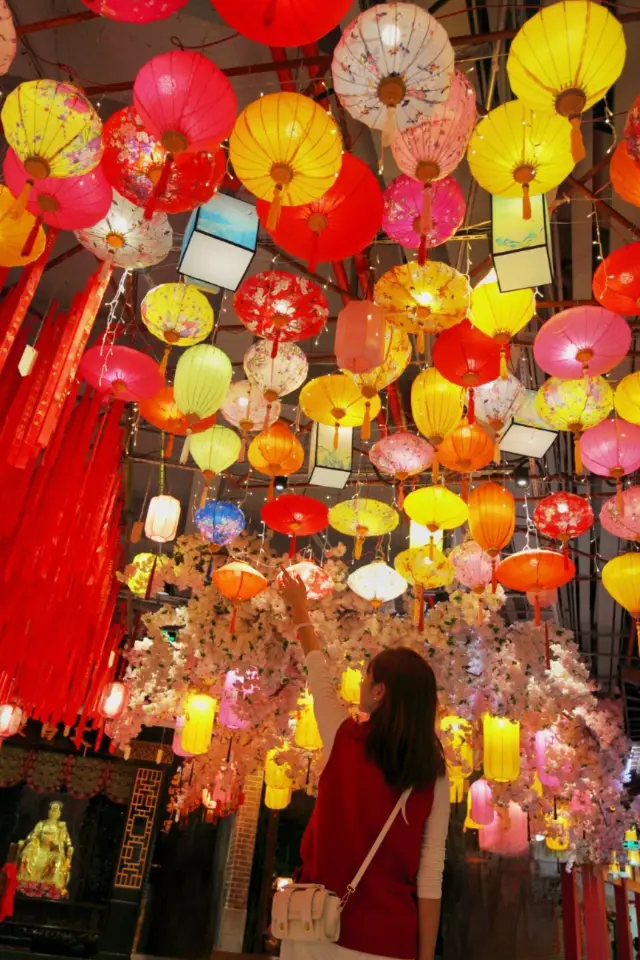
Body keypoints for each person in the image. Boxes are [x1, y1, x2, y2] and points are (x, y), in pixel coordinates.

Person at [278, 569, 450, 960]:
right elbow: (430, 874)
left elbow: (318, 673)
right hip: (388, 942)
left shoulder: (344, 739)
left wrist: (300, 608)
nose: (358, 685)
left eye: (366, 676)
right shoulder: (433, 774)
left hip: (313, 933)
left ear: (378, 692)